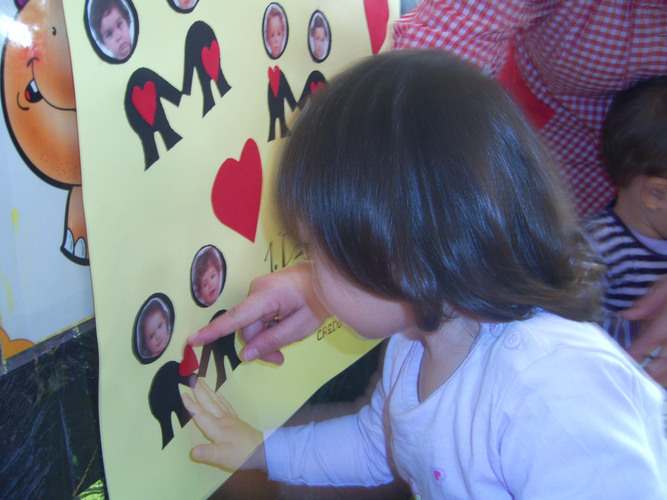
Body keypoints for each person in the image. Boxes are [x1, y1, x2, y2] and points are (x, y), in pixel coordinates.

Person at [184, 51, 667, 498]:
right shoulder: (415, 345)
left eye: (313, 251)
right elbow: (378, 445)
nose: (308, 273)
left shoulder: (551, 390)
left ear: (403, 256)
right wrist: (262, 450)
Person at [581, 77, 667, 384]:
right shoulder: (596, 246)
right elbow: (569, 330)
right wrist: (638, 330)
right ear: (655, 195)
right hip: (627, 399)